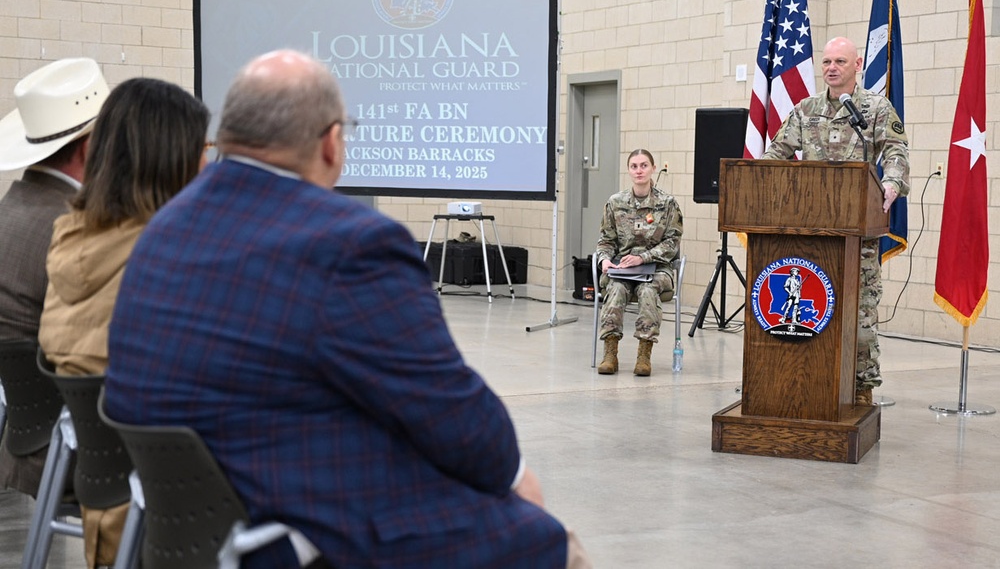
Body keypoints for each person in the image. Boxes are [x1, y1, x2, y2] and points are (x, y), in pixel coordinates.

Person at [103, 49, 591, 569]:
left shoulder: (163, 227)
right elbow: (450, 410)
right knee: (547, 539)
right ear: (331, 142)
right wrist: (515, 474)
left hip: (183, 529)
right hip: (289, 536)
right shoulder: (350, 243)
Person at [36, 77, 209, 569]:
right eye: (201, 148)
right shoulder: (170, 264)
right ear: (171, 160)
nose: (207, 164)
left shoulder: (70, 242)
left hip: (109, 508)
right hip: (177, 514)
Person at [761, 36, 909, 405]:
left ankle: (862, 387)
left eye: (840, 62)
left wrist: (891, 182)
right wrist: (758, 179)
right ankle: (808, 381)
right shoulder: (805, 109)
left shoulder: (875, 109)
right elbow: (775, 153)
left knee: (860, 315)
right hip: (808, 233)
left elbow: (895, 151)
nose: (831, 68)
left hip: (858, 232)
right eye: (826, 62)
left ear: (856, 65)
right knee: (808, 308)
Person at [0, 57, 108, 497]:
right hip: (80, 453)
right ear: (88, 147)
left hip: (23, 446)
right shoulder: (73, 230)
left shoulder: (10, 210)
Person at [595, 149, 683, 376]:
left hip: (657, 268)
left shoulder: (667, 203)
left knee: (647, 289)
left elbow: (672, 243)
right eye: (634, 166)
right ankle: (610, 353)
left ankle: (644, 355)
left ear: (653, 168)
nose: (639, 170)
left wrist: (643, 257)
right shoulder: (615, 203)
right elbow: (606, 241)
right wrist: (605, 260)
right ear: (629, 170)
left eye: (644, 165)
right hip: (622, 268)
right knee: (614, 287)